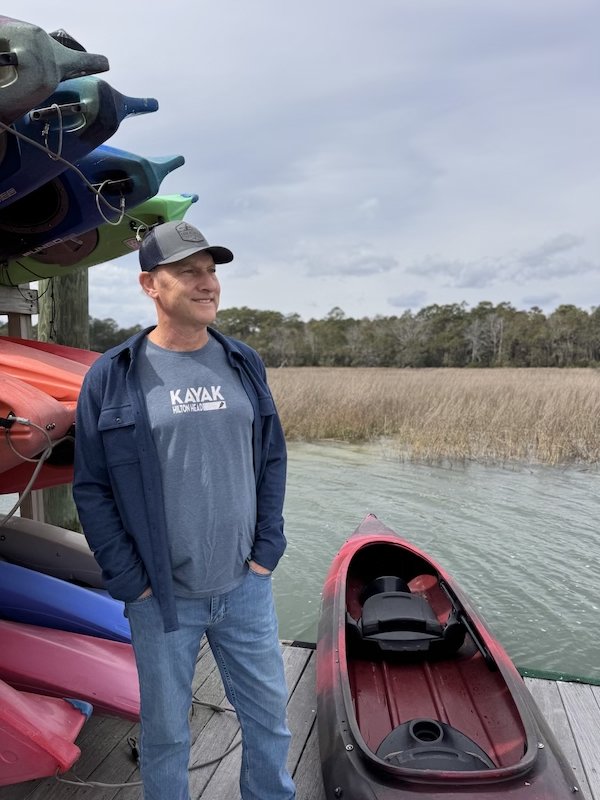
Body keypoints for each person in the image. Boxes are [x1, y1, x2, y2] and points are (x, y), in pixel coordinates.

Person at [73, 220, 295, 800]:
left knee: (270, 722)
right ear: (150, 284)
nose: (207, 282)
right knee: (167, 733)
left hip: (246, 586)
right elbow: (91, 488)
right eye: (189, 271)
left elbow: (272, 458)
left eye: (212, 271)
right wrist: (131, 581)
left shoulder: (243, 361)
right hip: (160, 598)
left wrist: (267, 550)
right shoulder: (112, 376)